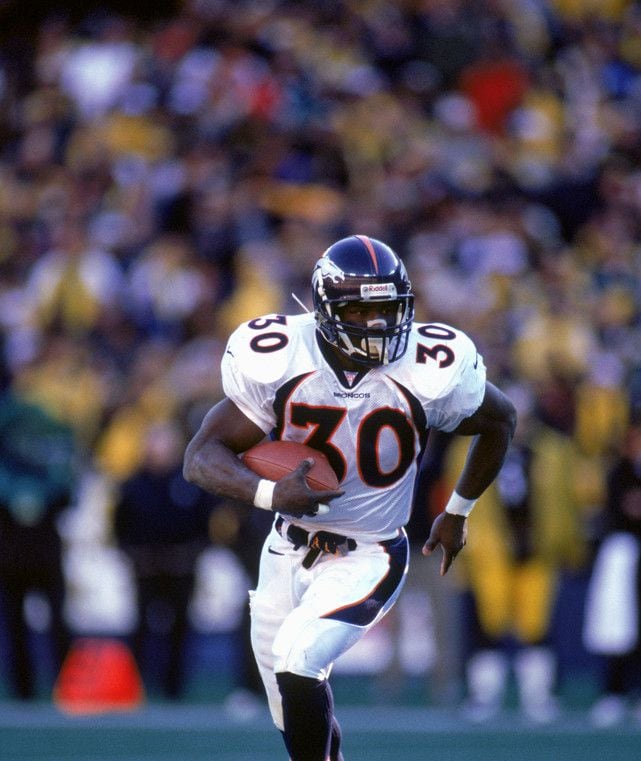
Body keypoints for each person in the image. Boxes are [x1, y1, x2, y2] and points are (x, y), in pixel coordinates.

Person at [183, 235, 516, 760]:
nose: (378, 323)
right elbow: (201, 456)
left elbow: (501, 421)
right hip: (285, 549)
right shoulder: (281, 356)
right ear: (326, 310)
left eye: (388, 308)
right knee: (291, 710)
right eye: (361, 308)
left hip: (370, 553)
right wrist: (272, 494)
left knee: (298, 659)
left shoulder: (428, 367)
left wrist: (458, 511)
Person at [113, 420, 214, 699]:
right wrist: (132, 555)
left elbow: (205, 524)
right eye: (155, 442)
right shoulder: (133, 484)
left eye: (165, 442)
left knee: (181, 626)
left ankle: (175, 685)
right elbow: (120, 525)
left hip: (181, 566)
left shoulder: (189, 482)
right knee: (142, 625)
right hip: (146, 567)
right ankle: (138, 682)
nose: (159, 449)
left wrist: (194, 552)